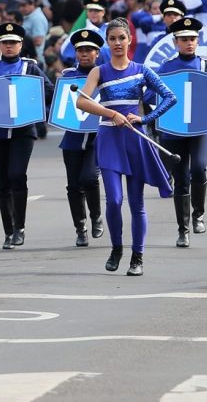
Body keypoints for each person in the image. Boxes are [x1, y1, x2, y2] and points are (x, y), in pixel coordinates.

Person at [72, 18, 175, 276]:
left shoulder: (142, 70)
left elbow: (170, 97)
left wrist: (145, 119)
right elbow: (81, 102)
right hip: (109, 138)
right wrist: (111, 113)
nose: (117, 43)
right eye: (112, 39)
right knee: (114, 200)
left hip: (134, 138)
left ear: (130, 40)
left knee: (136, 203)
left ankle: (137, 257)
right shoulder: (99, 71)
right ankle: (116, 248)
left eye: (122, 38)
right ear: (107, 43)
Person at [157, 17, 207, 246]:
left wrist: (205, 99)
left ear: (198, 40)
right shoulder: (166, 67)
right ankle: (183, 230)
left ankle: (198, 215)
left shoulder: (205, 65)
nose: (189, 43)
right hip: (174, 131)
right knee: (180, 179)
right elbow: (151, 95)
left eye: (192, 38)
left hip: (200, 128)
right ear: (176, 42)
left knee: (199, 168)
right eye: (184, 39)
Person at [0, 21, 52, 250]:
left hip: (23, 131)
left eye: (13, 42)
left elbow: (49, 90)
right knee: (3, 182)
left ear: (20, 45)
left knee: (17, 175)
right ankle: (8, 231)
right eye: (5, 42)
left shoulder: (30, 68)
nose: (9, 46)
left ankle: (20, 227)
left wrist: (30, 98)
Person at [58, 28, 106, 247]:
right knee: (73, 185)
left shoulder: (105, 74)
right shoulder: (68, 76)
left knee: (89, 178)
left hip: (97, 136)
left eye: (89, 50)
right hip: (73, 137)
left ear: (97, 53)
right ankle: (80, 227)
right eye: (80, 50)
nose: (84, 54)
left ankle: (96, 216)